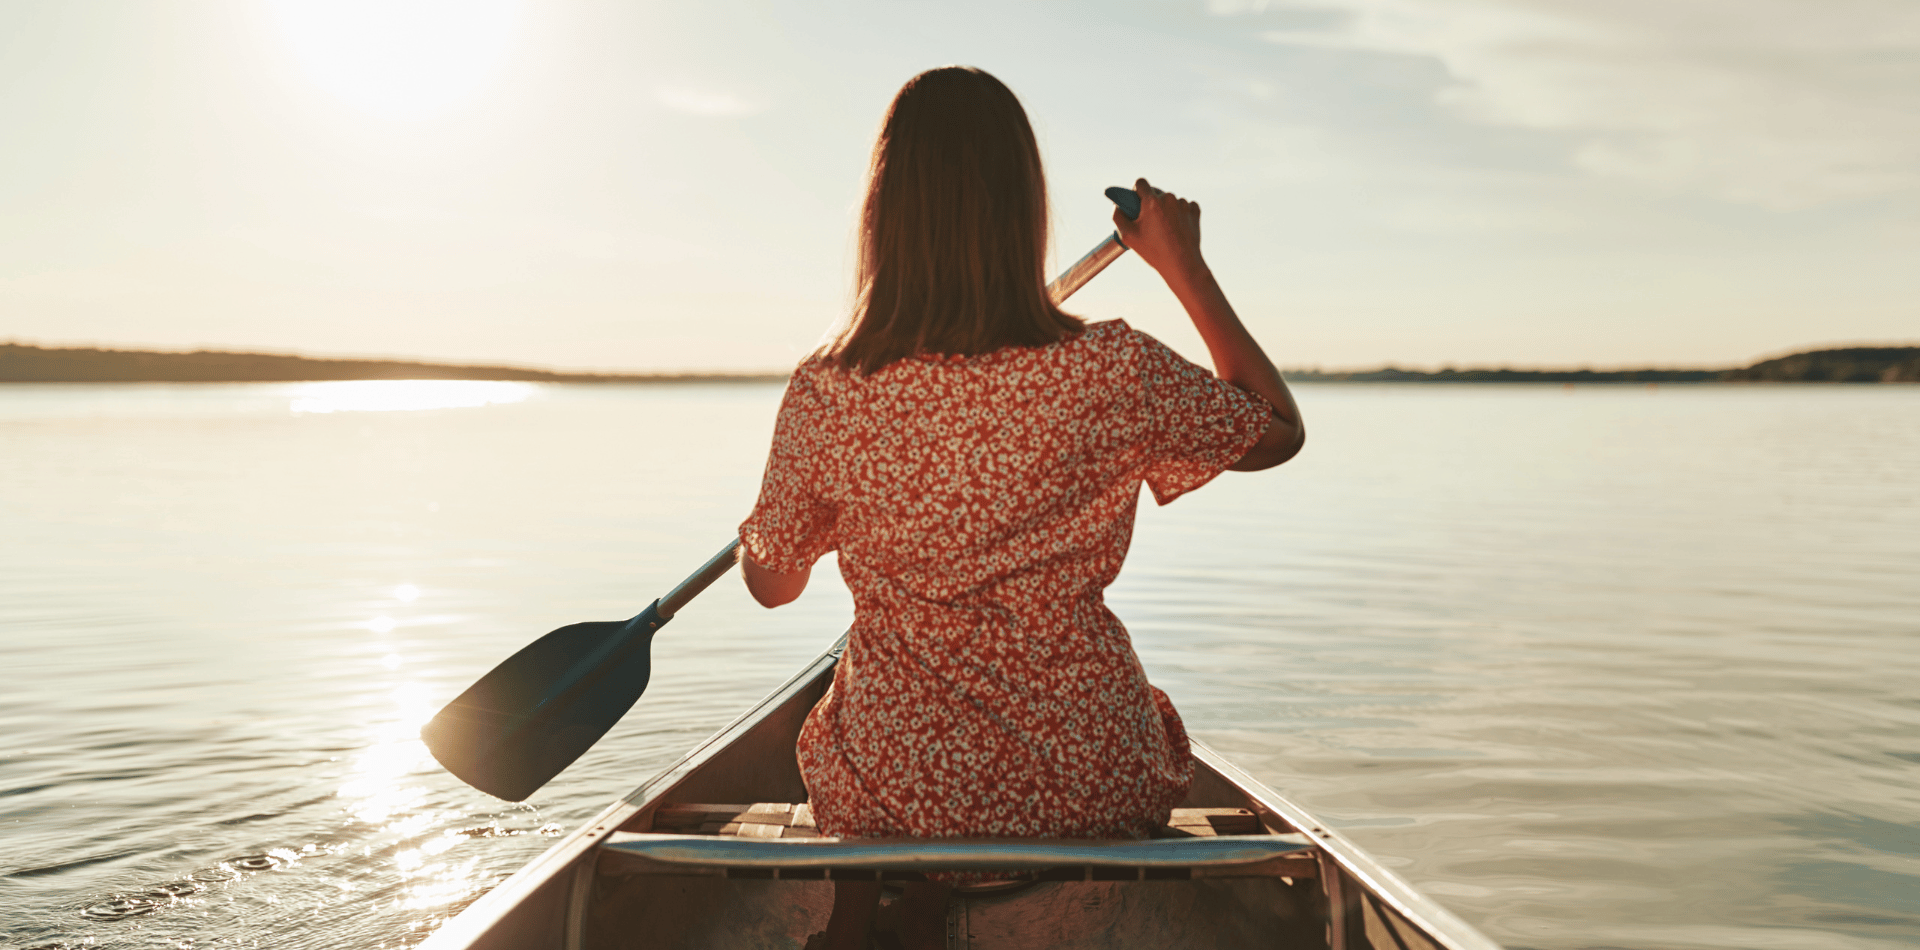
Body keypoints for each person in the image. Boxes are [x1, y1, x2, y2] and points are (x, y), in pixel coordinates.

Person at [737, 65, 1304, 950]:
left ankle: (893, 898)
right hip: (1089, 782)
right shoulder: (1112, 369)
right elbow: (1275, 430)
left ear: (885, 212)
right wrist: (1182, 265)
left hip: (900, 786)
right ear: (1023, 207)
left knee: (843, 736)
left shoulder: (829, 390)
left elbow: (773, 586)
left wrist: (772, 537)